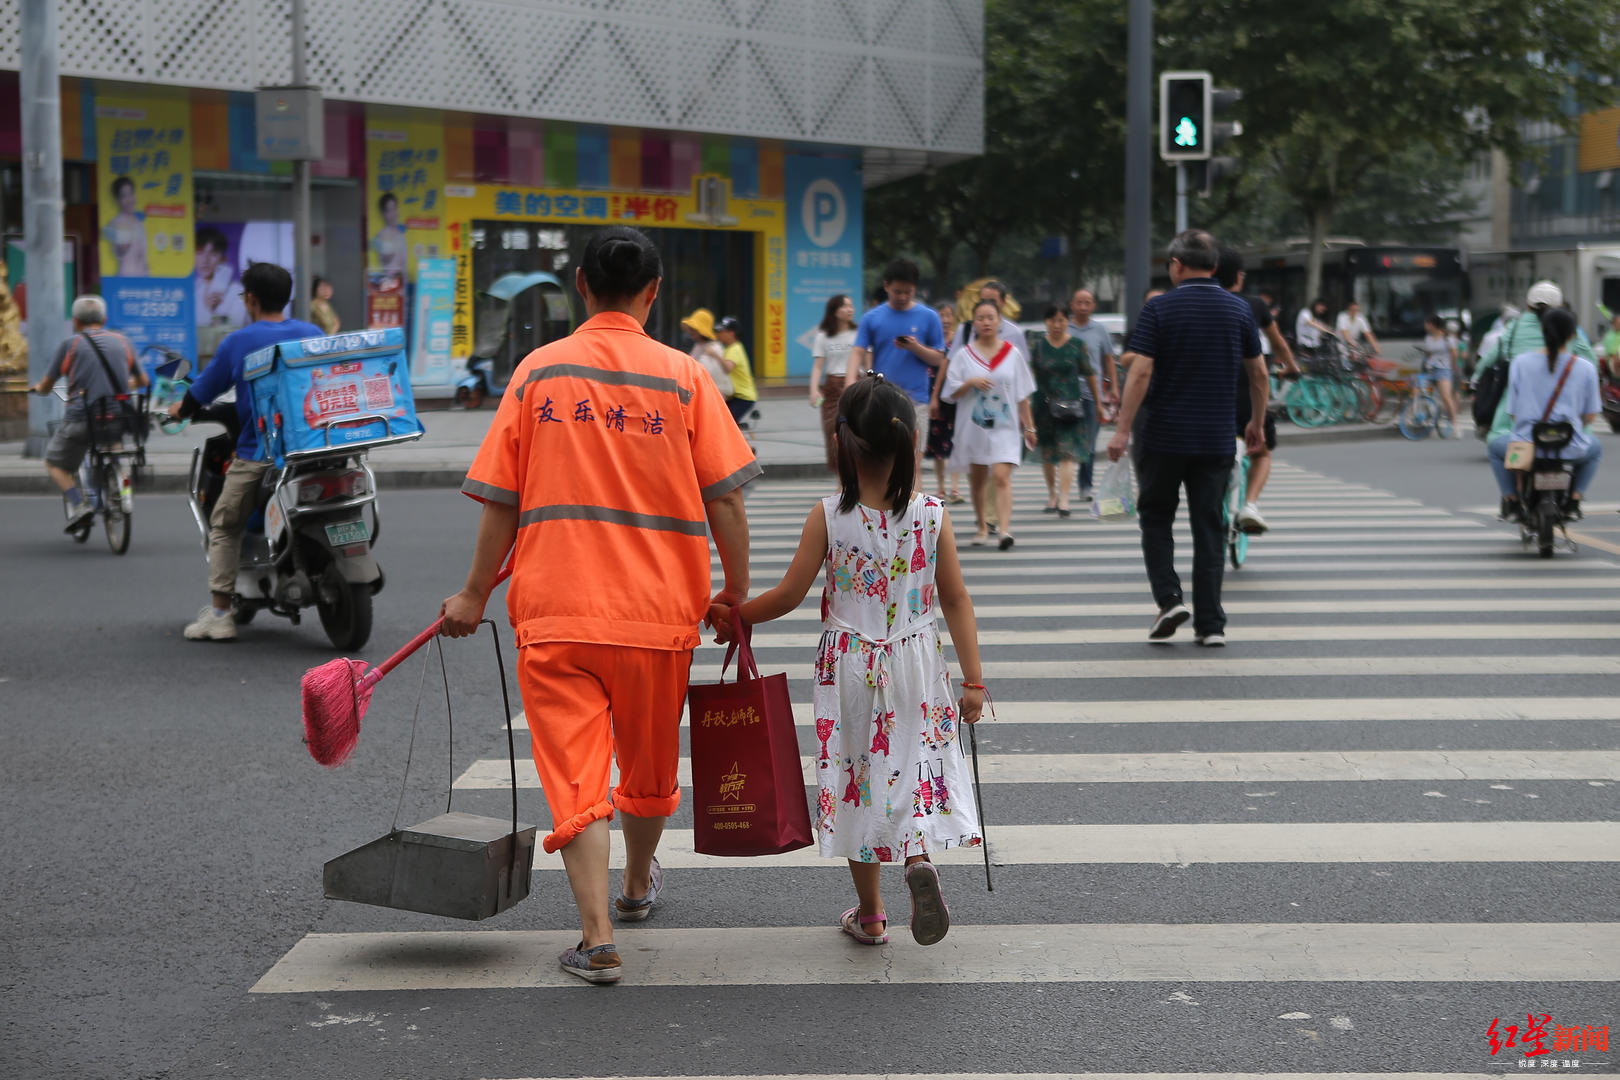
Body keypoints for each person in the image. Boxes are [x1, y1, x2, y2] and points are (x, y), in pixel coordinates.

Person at [439, 226, 758, 985]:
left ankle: (597, 934)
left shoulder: (538, 373)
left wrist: (474, 593)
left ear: (580, 284)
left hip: (557, 613)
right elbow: (729, 503)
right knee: (646, 769)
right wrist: (733, 597)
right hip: (659, 615)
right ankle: (639, 884)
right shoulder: (684, 377)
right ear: (652, 294)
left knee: (577, 780)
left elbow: (499, 504)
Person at [708, 374, 984, 948]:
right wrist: (975, 682)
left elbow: (787, 595)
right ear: (909, 443)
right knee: (908, 767)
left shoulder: (831, 516)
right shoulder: (933, 514)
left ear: (843, 445)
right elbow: (955, 598)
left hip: (851, 664)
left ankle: (872, 912)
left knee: (858, 778)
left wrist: (733, 616)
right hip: (916, 661)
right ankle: (916, 856)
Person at [1108, 230, 1267, 646]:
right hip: (1216, 438)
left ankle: (1169, 599)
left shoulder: (1159, 309)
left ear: (1176, 266)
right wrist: (1256, 422)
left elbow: (1140, 372)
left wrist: (1123, 429)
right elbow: (1259, 374)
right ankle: (1212, 625)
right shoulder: (1239, 310)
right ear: (1215, 266)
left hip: (1162, 437)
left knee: (1157, 517)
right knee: (1209, 526)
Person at [168, 264, 324, 642]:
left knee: (224, 524)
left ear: (250, 299)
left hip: (261, 454)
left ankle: (221, 613)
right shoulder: (313, 333)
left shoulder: (238, 343)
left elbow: (200, 393)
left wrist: (179, 410)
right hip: (318, 449)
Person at [30, 296, 148, 530]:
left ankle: (80, 504)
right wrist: (122, 386)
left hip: (81, 419)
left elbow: (46, 385)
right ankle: (122, 485)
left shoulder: (71, 344)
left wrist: (38, 389)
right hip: (117, 419)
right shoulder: (123, 342)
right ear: (104, 319)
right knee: (114, 447)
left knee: (55, 463)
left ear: (75, 321)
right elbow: (142, 380)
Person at [1489, 306, 1603, 521]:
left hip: (1527, 447)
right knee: (1595, 449)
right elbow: (1590, 417)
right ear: (1572, 335)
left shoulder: (1520, 363)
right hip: (1569, 447)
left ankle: (1511, 501)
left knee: (1495, 448)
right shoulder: (1586, 368)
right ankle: (1574, 501)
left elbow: (1513, 413)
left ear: (1543, 331)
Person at [1216, 245, 1301, 534]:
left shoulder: (1197, 302)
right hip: (1249, 390)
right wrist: (1291, 367)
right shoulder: (1254, 305)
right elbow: (1277, 344)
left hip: (1211, 393)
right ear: (1239, 277)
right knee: (1261, 451)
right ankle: (1250, 504)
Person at [945, 299, 1038, 550]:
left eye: (991, 317)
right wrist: (970, 382)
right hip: (974, 428)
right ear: (974, 322)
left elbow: (1022, 395)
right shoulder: (964, 356)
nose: (986, 322)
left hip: (1005, 427)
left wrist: (1029, 427)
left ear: (999, 322)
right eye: (981, 318)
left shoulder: (1012, 353)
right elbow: (950, 392)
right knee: (977, 480)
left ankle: (1004, 530)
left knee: (1001, 477)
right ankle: (982, 526)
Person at [1473, 282, 1599, 446]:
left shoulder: (1515, 327)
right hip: (1565, 420)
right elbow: (1590, 358)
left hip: (1518, 417)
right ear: (1560, 305)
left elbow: (1491, 356)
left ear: (1527, 304)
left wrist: (1476, 376)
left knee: (1497, 444)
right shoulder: (1567, 328)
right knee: (1591, 447)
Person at [845, 258, 947, 458]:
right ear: (886, 286)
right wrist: (850, 381)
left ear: (915, 288)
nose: (902, 296)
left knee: (913, 464)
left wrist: (915, 347)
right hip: (881, 400)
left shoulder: (929, 317)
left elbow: (938, 359)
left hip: (916, 401)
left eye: (908, 292)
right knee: (881, 460)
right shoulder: (872, 318)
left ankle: (911, 491)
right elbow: (858, 351)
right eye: (897, 291)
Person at [1028, 303, 1099, 517]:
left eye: (1061, 320)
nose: (1057, 325)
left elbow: (1089, 374)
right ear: (1046, 322)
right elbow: (1031, 378)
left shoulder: (1077, 345)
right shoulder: (1038, 347)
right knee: (1048, 452)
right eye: (1052, 320)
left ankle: (1065, 499)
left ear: (1067, 321)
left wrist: (1100, 403)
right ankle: (1052, 494)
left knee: (1067, 453)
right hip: (1043, 405)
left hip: (1070, 405)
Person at [1069, 287, 1120, 496]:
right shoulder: (1064, 328)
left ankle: (1085, 485)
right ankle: (1059, 489)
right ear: (1072, 304)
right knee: (1069, 441)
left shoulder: (1100, 330)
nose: (1083, 307)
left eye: (1087, 302)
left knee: (1089, 440)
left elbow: (1109, 360)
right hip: (1067, 394)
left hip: (1093, 395)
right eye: (1079, 302)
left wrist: (1114, 387)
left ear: (1093, 306)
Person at [810, 293, 857, 471]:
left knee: (855, 432)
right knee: (832, 432)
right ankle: (841, 479)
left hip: (855, 385)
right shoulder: (823, 336)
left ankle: (856, 477)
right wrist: (814, 390)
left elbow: (868, 362)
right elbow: (817, 366)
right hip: (832, 386)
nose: (850, 309)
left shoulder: (858, 334)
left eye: (851, 306)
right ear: (835, 311)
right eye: (845, 306)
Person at [925, 301, 965, 503]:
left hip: (956, 396)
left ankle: (955, 488)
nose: (946, 320)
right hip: (933, 395)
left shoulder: (960, 343)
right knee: (937, 444)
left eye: (949, 315)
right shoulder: (931, 343)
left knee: (955, 442)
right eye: (942, 315)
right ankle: (941, 487)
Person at [951, 279, 1029, 357]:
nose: (987, 304)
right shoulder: (965, 329)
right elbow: (952, 361)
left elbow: (1023, 364)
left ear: (1003, 302)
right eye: (983, 300)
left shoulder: (1015, 332)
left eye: (993, 301)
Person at [1418, 313, 1460, 434]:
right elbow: (1428, 353)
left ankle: (1455, 423)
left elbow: (1454, 354)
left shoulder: (1448, 339)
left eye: (1428, 323)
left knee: (1446, 397)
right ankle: (1429, 416)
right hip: (1430, 368)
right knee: (1419, 390)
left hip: (1444, 369)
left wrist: (1451, 367)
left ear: (1433, 325)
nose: (1426, 326)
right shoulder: (1428, 338)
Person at [194, 226, 243, 329]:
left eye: (213, 254)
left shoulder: (237, 292)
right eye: (200, 253)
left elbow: (237, 326)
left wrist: (215, 310)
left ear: (223, 259)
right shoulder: (192, 289)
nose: (205, 260)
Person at [715, 315, 758, 430]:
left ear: (731, 333)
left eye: (722, 331)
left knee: (726, 426)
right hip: (735, 396)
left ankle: (743, 448)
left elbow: (728, 367)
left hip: (743, 397)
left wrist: (714, 355)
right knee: (723, 424)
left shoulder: (735, 349)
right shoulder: (730, 348)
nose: (719, 334)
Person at [103, 176, 150, 277]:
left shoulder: (138, 221)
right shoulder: (116, 223)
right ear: (117, 200)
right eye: (124, 196)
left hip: (144, 277)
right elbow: (119, 250)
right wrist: (122, 246)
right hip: (128, 277)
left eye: (131, 194)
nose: (129, 199)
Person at [681, 308, 731, 399]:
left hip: (712, 397)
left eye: (693, 329)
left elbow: (705, 374)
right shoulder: (699, 346)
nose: (690, 331)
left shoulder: (713, 348)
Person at [370, 192, 408, 274]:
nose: (393, 213)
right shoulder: (382, 235)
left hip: (403, 283)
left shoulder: (400, 233)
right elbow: (386, 259)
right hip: (391, 283)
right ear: (383, 214)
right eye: (389, 210)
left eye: (394, 208)